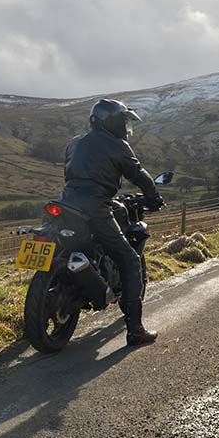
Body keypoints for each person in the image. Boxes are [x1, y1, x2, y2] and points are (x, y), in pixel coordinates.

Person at [61, 99, 164, 346]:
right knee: (129, 260)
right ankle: (135, 330)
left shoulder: (77, 142)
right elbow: (140, 175)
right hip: (95, 207)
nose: (127, 129)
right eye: (124, 123)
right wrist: (153, 197)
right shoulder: (117, 145)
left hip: (65, 203)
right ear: (114, 122)